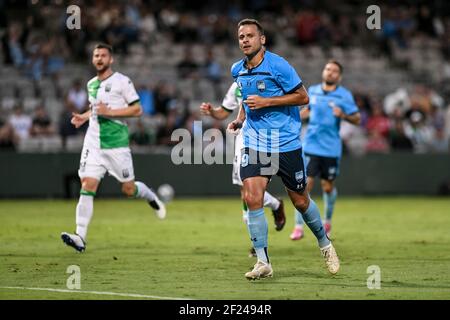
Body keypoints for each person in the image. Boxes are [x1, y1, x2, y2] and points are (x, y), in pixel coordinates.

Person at [227, 19, 339, 280]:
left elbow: (303, 97)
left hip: (286, 144)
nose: (244, 40)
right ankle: (263, 261)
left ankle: (324, 242)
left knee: (300, 201)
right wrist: (241, 118)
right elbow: (244, 97)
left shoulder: (278, 65)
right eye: (241, 36)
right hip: (255, 143)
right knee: (252, 197)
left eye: (250, 36)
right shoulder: (237, 70)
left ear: (262, 39)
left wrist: (267, 101)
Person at [61, 43, 166, 253]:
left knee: (128, 190)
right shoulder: (91, 84)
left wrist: (110, 112)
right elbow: (96, 108)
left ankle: (149, 195)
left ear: (111, 60)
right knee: (88, 184)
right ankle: (80, 236)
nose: (99, 58)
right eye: (96, 55)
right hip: (93, 143)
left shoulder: (122, 81)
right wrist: (83, 117)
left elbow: (137, 110)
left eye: (103, 55)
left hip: (116, 145)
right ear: (93, 59)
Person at [199, 82, 286, 258]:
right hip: (241, 142)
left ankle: (258, 242)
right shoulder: (237, 84)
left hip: (264, 139)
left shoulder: (270, 80)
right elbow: (223, 111)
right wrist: (212, 112)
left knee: (251, 193)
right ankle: (273, 208)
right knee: (245, 193)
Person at [290, 61, 361, 241]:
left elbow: (357, 118)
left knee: (327, 187)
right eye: (328, 69)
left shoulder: (344, 96)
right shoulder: (312, 91)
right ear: (324, 72)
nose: (330, 73)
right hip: (311, 145)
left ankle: (327, 220)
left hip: (331, 148)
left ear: (340, 76)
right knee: (305, 186)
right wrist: (294, 116)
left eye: (335, 71)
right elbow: (306, 112)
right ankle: (299, 226)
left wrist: (343, 115)